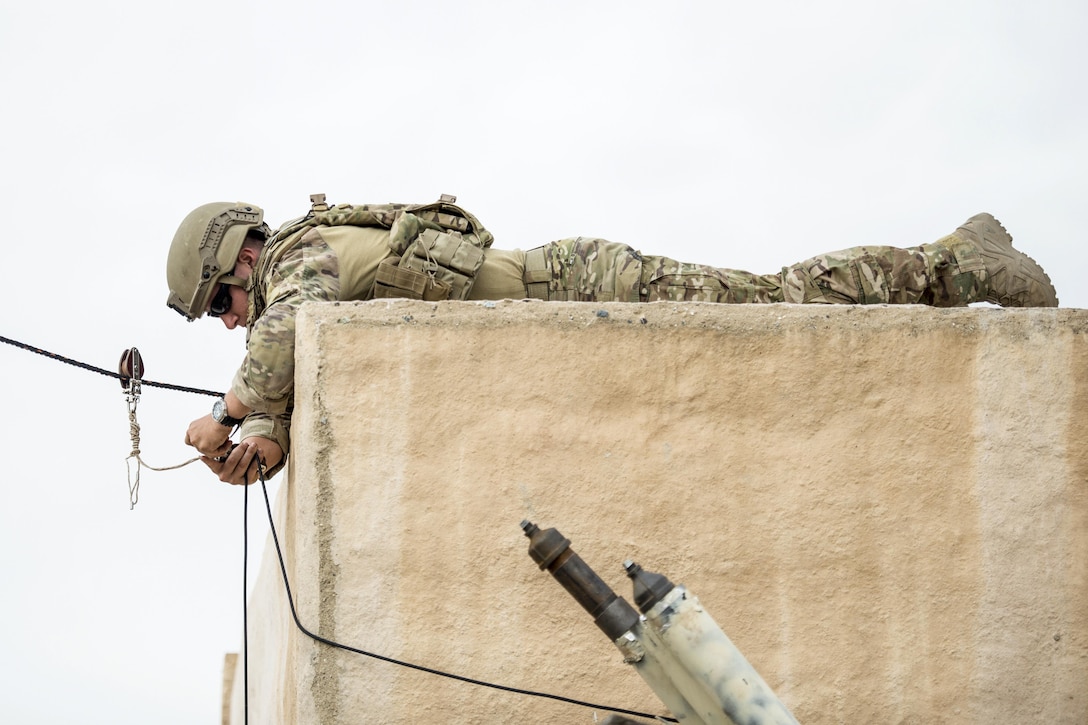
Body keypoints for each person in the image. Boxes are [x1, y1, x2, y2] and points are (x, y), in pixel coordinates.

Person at [166, 195, 1058, 485]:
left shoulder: (299, 260)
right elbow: (294, 374)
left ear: (241, 257)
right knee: (771, 306)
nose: (228, 322)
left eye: (218, 305)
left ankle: (953, 264)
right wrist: (256, 448)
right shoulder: (300, 288)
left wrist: (225, 411)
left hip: (588, 285)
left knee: (773, 303)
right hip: (571, 301)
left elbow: (279, 337)